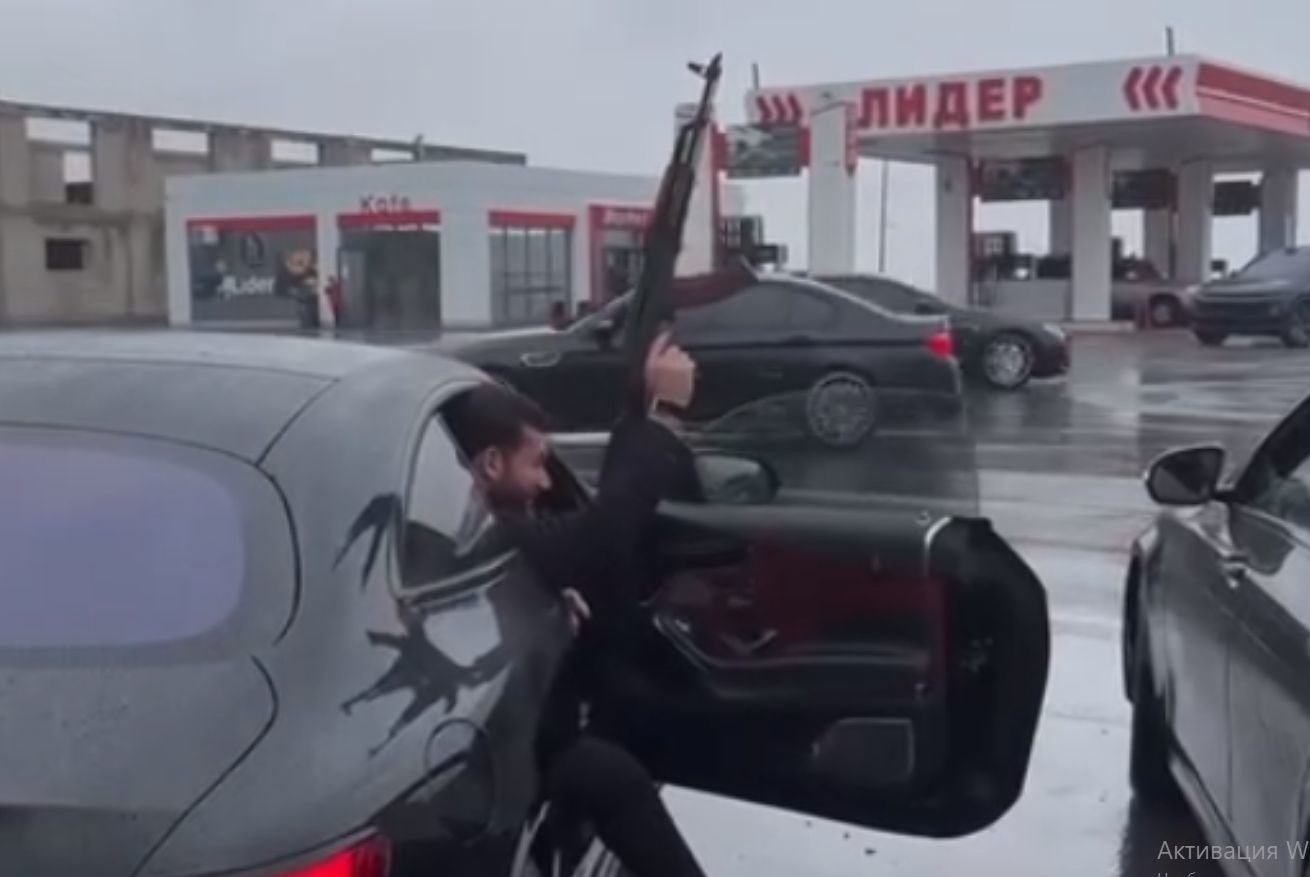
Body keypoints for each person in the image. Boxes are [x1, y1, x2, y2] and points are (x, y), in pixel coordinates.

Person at [444, 331, 706, 877]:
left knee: (613, 769)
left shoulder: (456, 530)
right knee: (613, 778)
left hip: (502, 733)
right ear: (490, 464)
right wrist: (662, 418)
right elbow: (604, 536)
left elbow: (589, 540)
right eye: (537, 463)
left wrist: (640, 415)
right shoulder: (492, 536)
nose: (547, 481)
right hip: (501, 750)